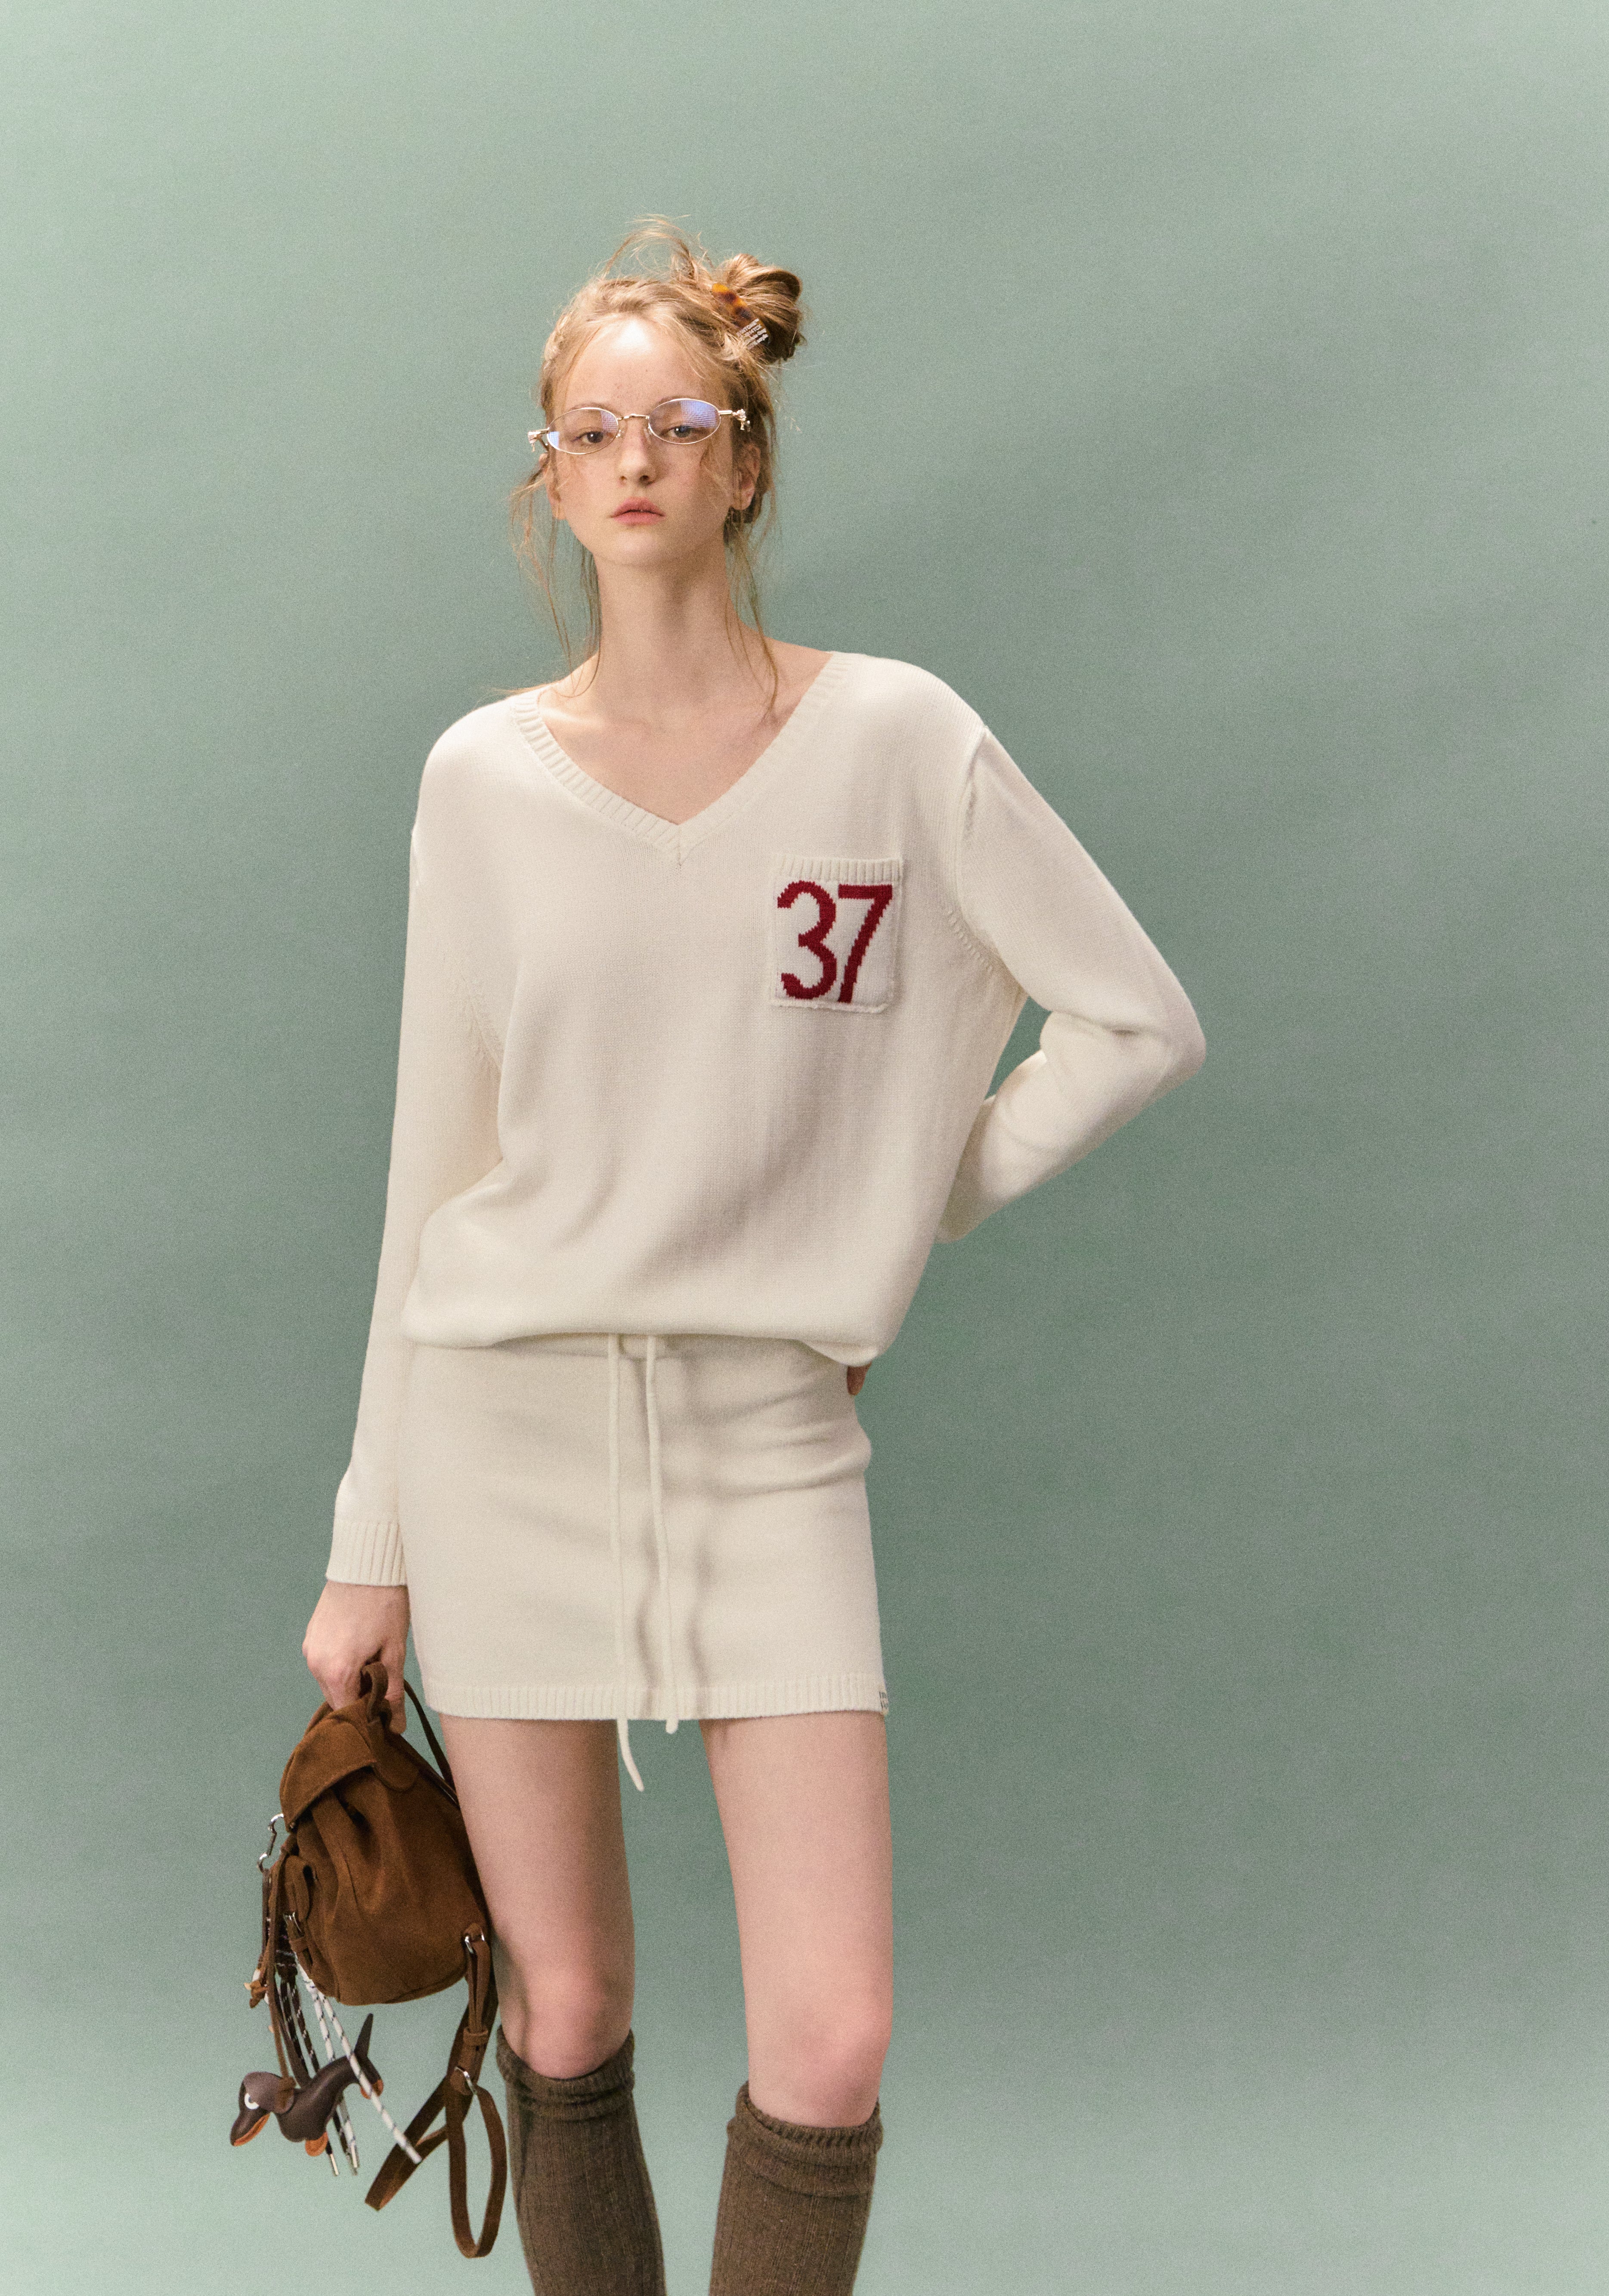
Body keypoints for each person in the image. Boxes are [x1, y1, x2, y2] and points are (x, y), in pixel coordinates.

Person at [301, 217, 1206, 2296]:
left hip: (767, 1439)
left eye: (677, 422)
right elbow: (431, 1179)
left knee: (830, 2034)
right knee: (563, 2011)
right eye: (589, 429)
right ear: (551, 476)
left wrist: (911, 1193)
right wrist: (372, 1543)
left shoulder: (897, 740)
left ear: (746, 459)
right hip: (499, 1433)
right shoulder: (482, 782)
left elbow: (1136, 1017)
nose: (633, 458)